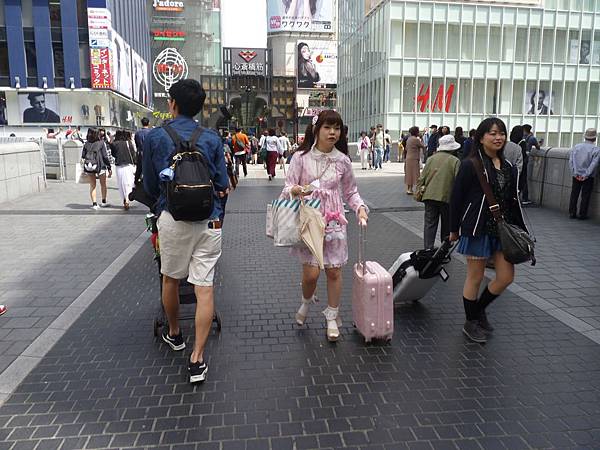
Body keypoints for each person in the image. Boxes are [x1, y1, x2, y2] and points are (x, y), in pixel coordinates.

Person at [142, 79, 229, 384]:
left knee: (170, 278)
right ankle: (197, 359)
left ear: (173, 104)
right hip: (208, 220)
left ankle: (176, 333)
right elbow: (222, 183)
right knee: (204, 287)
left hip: (172, 218)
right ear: (200, 107)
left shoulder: (155, 137)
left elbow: (150, 184)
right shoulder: (211, 138)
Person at [282, 110, 369, 341]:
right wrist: (296, 190)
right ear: (317, 129)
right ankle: (306, 301)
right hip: (309, 220)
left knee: (334, 271)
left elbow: (350, 191)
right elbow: (287, 186)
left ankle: (332, 316)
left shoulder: (343, 160)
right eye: (328, 127)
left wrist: (360, 208)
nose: (333, 133)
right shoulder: (301, 157)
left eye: (337, 128)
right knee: (311, 275)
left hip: (333, 221)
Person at [449, 117, 528, 344]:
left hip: (503, 231)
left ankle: (478, 310)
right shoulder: (471, 164)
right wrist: (453, 229)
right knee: (475, 277)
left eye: (501, 133)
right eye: (492, 133)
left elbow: (512, 201)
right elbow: (456, 198)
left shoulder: (509, 167)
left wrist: (520, 230)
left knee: (506, 277)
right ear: (481, 138)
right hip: (477, 228)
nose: (498, 137)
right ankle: (470, 322)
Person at [417, 135, 461, 249]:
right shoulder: (455, 161)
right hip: (446, 198)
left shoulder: (431, 159)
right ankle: (444, 249)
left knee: (429, 223)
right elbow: (458, 182)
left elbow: (422, 178)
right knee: (446, 225)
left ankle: (428, 248)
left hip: (429, 196)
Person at [569, 128, 600, 220]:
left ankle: (572, 212)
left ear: (585, 137)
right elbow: (594, 164)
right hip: (588, 177)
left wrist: (575, 173)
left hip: (576, 175)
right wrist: (585, 175)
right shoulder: (596, 149)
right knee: (585, 195)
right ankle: (582, 214)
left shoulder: (576, 146)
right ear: (595, 138)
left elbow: (571, 161)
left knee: (574, 194)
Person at [81, 128, 112, 210]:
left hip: (89, 166)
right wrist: (109, 167)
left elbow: (83, 156)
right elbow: (105, 156)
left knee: (92, 185)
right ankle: (103, 202)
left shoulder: (86, 144)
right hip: (101, 166)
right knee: (103, 184)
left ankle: (94, 204)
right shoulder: (101, 143)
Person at [110, 130, 137, 210]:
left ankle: (124, 198)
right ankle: (127, 199)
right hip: (128, 165)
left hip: (119, 165)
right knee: (128, 183)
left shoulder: (114, 144)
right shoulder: (128, 143)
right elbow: (133, 154)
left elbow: (113, 154)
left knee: (121, 183)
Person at [521, 124, 539, 205]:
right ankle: (525, 198)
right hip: (526, 160)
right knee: (524, 179)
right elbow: (538, 147)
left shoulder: (521, 137)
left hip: (519, 159)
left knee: (519, 178)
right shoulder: (532, 138)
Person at [404, 126, 425, 195]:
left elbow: (406, 148)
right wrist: (422, 139)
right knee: (415, 173)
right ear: (416, 132)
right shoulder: (416, 140)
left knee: (409, 173)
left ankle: (409, 189)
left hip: (408, 157)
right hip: (414, 158)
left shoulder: (409, 139)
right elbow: (423, 146)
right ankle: (413, 189)